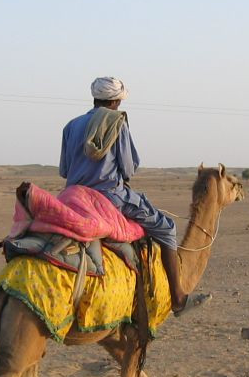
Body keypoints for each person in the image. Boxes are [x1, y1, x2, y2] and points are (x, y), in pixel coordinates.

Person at [59, 76, 207, 316]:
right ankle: (178, 297)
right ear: (116, 101)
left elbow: (64, 171)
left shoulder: (71, 126)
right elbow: (129, 168)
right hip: (109, 195)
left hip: (74, 195)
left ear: (95, 98)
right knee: (167, 228)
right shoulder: (118, 123)